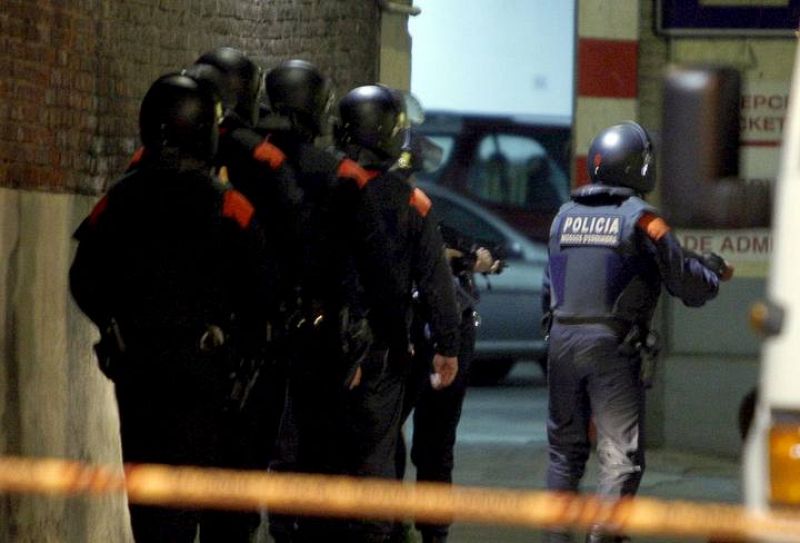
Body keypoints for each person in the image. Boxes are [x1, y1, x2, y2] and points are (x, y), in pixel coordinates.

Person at [69, 73, 275, 542]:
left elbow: (83, 277)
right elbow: (263, 294)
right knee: (213, 509)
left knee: (153, 510)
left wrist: (115, 326)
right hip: (206, 381)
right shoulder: (230, 207)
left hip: (138, 375)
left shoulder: (121, 198)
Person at [541, 121, 733, 543]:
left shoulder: (562, 217)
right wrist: (713, 274)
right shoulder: (644, 221)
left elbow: (549, 285)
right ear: (640, 168)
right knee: (620, 458)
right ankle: (604, 538)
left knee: (564, 453)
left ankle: (556, 538)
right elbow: (685, 282)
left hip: (560, 343)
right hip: (611, 348)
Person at [260, 60, 388, 543]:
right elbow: (367, 267)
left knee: (263, 452)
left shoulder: (243, 165)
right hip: (321, 336)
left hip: (255, 332)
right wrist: (376, 341)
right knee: (319, 448)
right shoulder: (340, 176)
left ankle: (278, 529)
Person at [336, 83, 462, 543]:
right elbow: (436, 284)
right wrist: (447, 346)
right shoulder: (412, 202)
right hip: (381, 347)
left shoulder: (322, 184)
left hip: (316, 340)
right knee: (376, 455)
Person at [397, 222, 503, 543]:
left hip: (439, 333)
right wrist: (467, 258)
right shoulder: (408, 212)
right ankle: (410, 527)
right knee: (412, 441)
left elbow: (491, 255)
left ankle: (425, 529)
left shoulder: (419, 214)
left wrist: (472, 257)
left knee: (432, 442)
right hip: (424, 334)